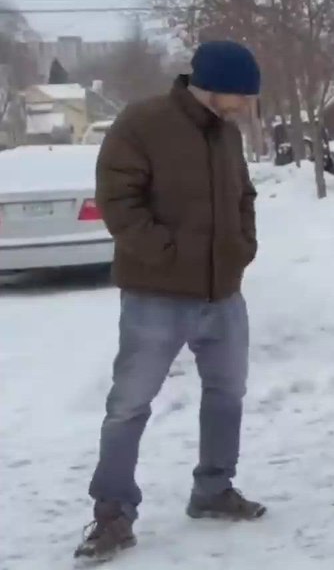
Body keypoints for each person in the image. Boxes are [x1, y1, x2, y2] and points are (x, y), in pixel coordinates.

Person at [75, 40, 267, 560]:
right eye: (244, 95)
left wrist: (242, 247)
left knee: (227, 394)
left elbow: (243, 195)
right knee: (129, 405)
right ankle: (113, 514)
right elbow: (117, 200)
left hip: (223, 294)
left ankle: (212, 490)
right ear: (218, 86)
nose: (248, 105)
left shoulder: (226, 134)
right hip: (156, 295)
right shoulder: (143, 123)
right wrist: (167, 253)